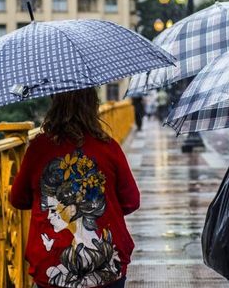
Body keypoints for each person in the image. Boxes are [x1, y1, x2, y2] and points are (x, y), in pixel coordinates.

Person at [9, 88, 140, 288]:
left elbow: (18, 199)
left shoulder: (39, 148)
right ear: (92, 105)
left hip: (49, 268)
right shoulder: (109, 146)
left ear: (55, 105)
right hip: (108, 270)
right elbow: (131, 201)